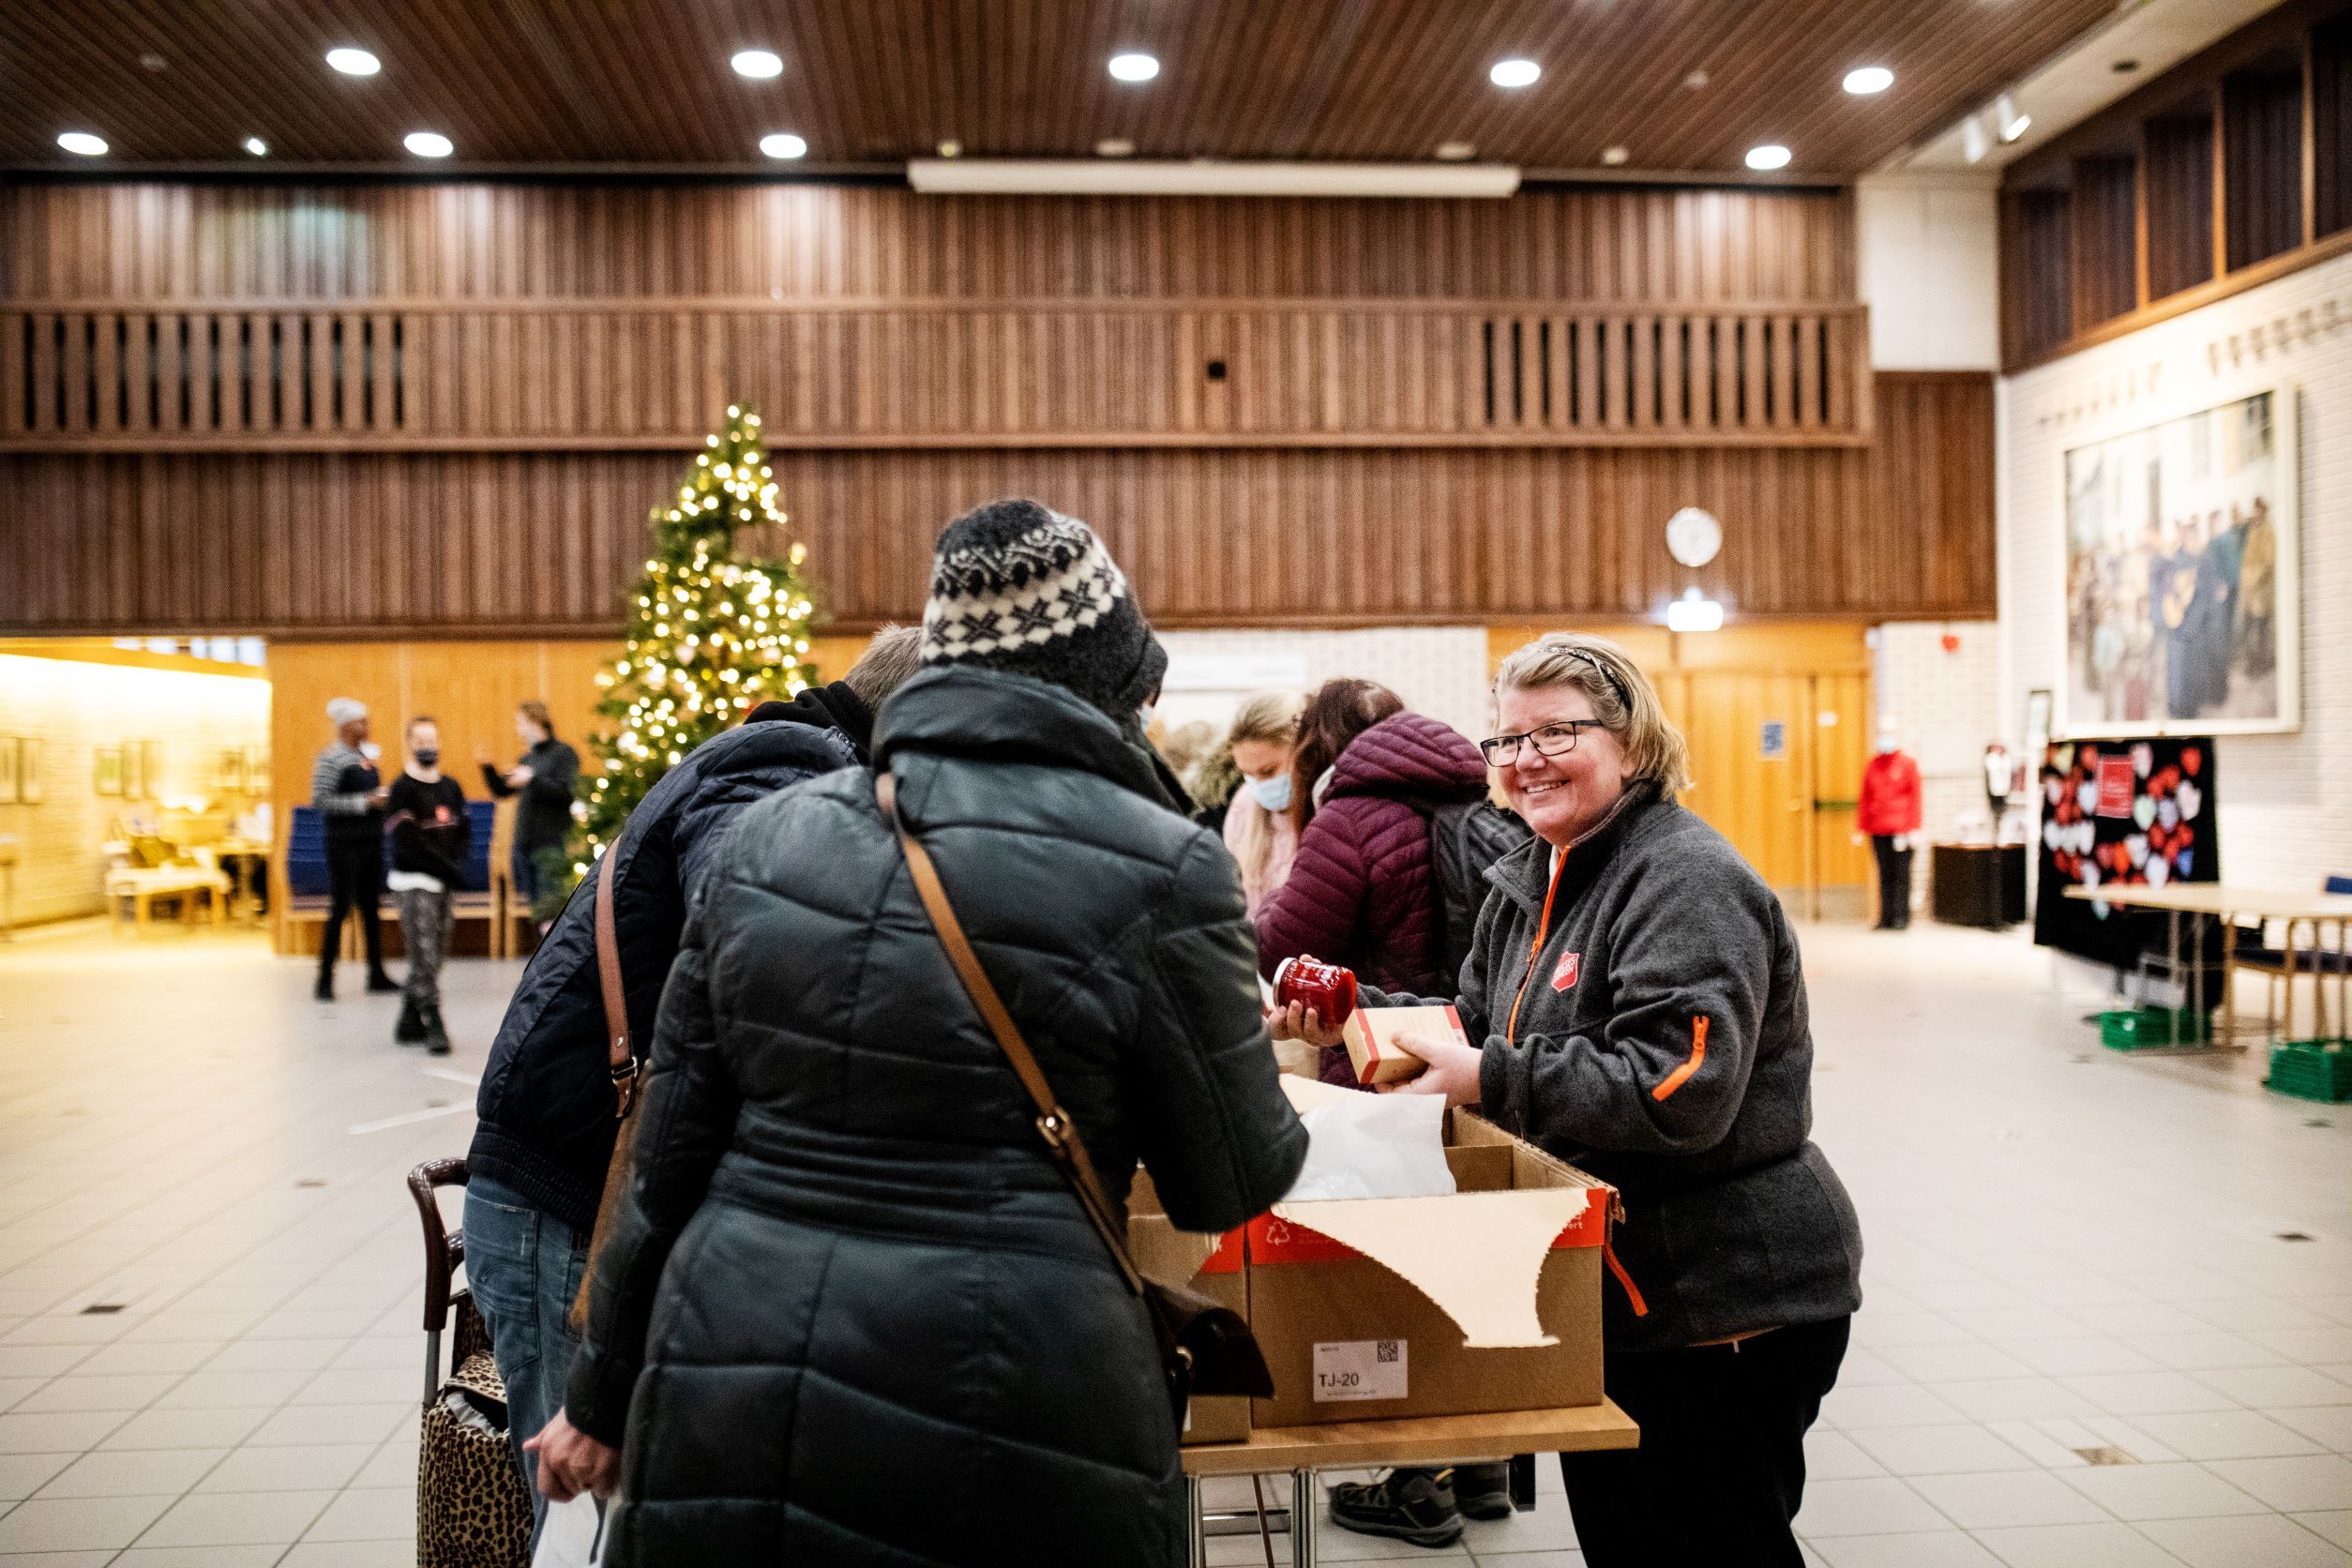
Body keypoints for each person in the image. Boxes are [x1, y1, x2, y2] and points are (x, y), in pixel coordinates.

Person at [531, 500, 1308, 1566]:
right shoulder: (1162, 865)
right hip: (1018, 1390)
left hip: (732, 1366)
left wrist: (598, 1394)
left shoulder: (771, 837)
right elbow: (1225, 1179)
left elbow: (666, 1161)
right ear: (1110, 687)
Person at [1274, 632, 1862, 1568]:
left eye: (1557, 732)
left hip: (1725, 1297)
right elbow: (1476, 1022)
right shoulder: (1534, 874)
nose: (1525, 759)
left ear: (1630, 743)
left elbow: (1680, 1088)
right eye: (1507, 740)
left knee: (1715, 1544)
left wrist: (1494, 1079)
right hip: (1623, 1293)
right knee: (1630, 1544)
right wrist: (1351, 1015)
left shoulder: (1683, 877)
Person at [464, 626, 924, 1537]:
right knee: (592, 1483)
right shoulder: (777, 766)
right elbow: (755, 925)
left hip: (588, 1171)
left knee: (627, 1486)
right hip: (567, 1188)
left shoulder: (805, 765)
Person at [1254, 678, 1488, 1086]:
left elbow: (1283, 952)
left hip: (1375, 1054)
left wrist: (1273, 896)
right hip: (1463, 1050)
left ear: (1316, 747)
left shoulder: (1347, 821)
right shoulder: (1463, 798)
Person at [384, 716, 470, 1054]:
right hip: (414, 881)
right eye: (420, 742)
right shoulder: (402, 788)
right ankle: (435, 1022)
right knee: (423, 954)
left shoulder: (451, 786)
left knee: (436, 955)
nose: (427, 747)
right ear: (409, 744)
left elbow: (463, 833)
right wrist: (444, 868)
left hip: (445, 882)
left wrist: (456, 867)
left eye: (431, 740)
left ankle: (408, 1017)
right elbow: (406, 844)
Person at [309, 697, 396, 1001]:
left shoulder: (366, 757)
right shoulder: (331, 758)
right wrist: (364, 802)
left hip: (372, 843)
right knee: (341, 909)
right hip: (344, 846)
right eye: (363, 722)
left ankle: (377, 974)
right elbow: (320, 800)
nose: (368, 727)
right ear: (347, 726)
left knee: (372, 909)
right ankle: (324, 978)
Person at [481, 701, 580, 916]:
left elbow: (566, 793)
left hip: (550, 843)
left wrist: (532, 779)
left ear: (535, 721)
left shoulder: (563, 754)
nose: (517, 730)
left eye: (520, 723)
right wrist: (488, 768)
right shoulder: (529, 758)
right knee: (536, 910)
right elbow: (503, 792)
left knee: (551, 909)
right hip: (525, 843)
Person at [1221, 689, 1305, 917]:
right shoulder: (1243, 805)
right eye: (1247, 774)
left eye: (1268, 771)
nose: (1259, 785)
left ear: (1302, 750)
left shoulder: (1331, 809)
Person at [1858, 731, 1922, 930]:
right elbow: (1866, 797)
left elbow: (1916, 798)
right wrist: (1861, 827)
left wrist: (1914, 828)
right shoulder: (1873, 765)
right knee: (1884, 875)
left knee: (1901, 875)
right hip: (1879, 830)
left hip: (1901, 831)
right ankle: (1885, 917)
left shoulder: (1907, 765)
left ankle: (1902, 917)